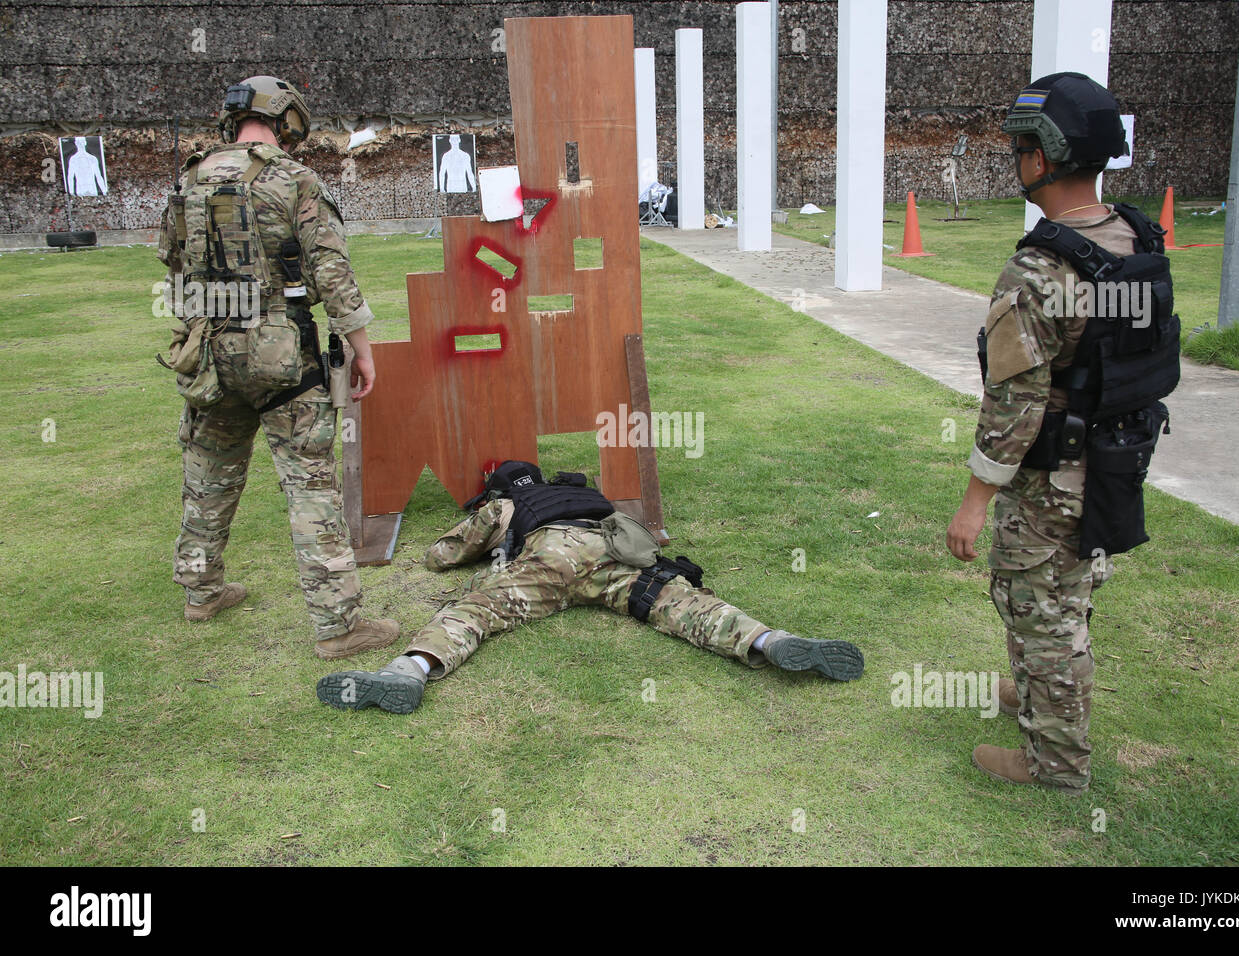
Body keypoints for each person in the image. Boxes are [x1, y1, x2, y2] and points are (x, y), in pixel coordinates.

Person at [946, 73, 1178, 793]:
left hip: (1054, 472)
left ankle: (1056, 764)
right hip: (1113, 457)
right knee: (1060, 590)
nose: (1016, 160)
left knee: (1039, 604)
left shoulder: (1040, 269)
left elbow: (1015, 403)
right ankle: (1035, 690)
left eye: (1020, 149)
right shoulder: (1134, 233)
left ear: (1040, 160)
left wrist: (975, 499)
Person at [157, 75, 399, 660]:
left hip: (208, 350)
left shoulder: (189, 179)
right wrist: (362, 348)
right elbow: (332, 276)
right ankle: (338, 627)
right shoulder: (295, 180)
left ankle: (200, 591)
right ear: (286, 119)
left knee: (207, 477)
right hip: (281, 355)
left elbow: (173, 265)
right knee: (310, 486)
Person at [316, 466, 864, 714]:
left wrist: (472, 530)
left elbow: (443, 558)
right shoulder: (584, 494)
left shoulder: (505, 505)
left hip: (551, 561)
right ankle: (771, 641)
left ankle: (407, 672)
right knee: (686, 606)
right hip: (615, 554)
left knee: (476, 610)